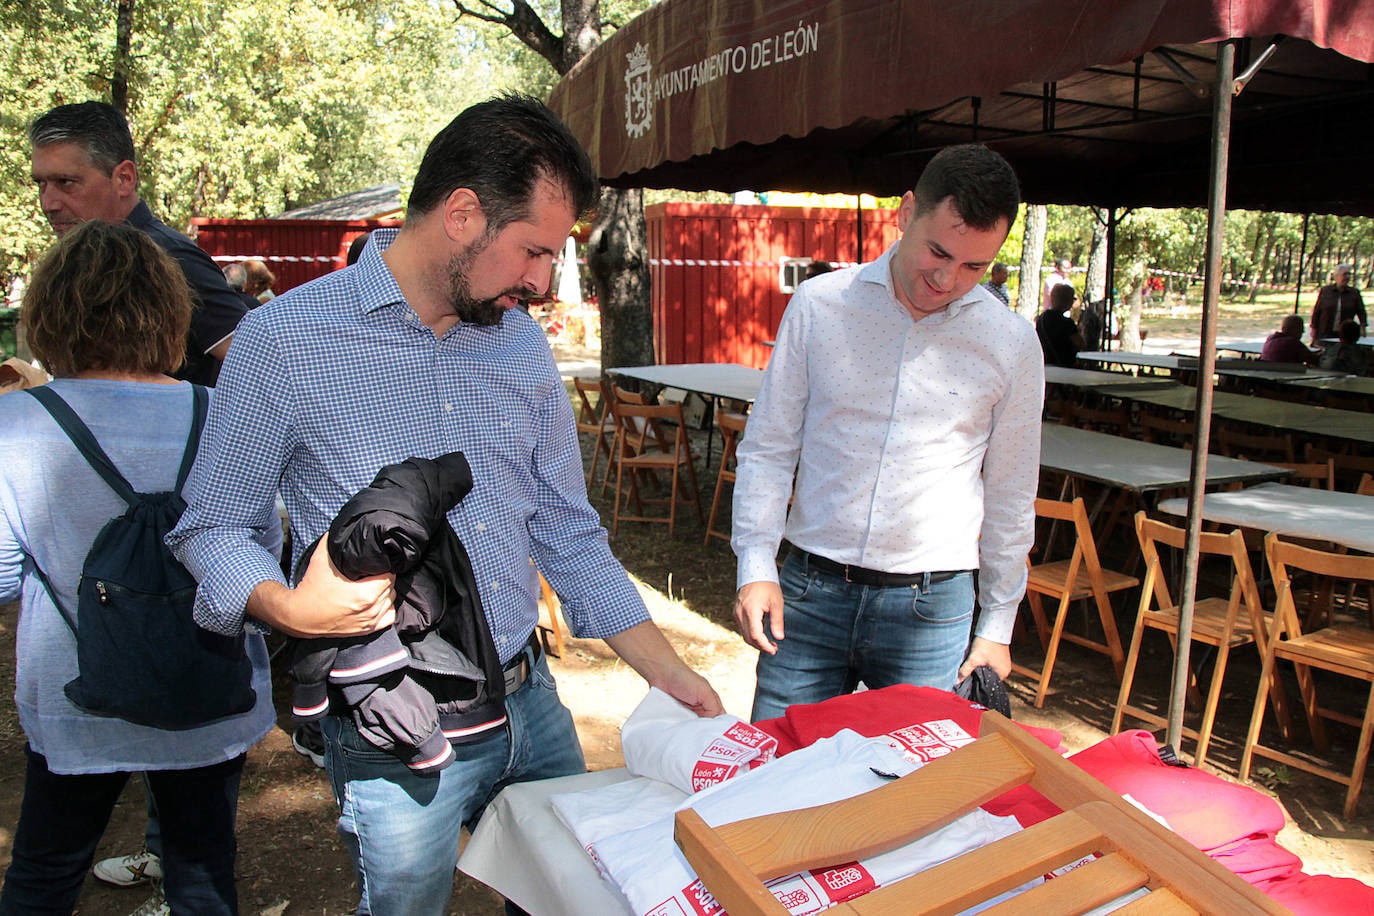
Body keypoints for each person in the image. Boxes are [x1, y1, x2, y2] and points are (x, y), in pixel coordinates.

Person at [165, 93, 722, 914]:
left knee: (569, 894)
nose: (542, 282)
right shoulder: (282, 341)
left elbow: (566, 527)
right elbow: (211, 525)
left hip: (530, 701)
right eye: (534, 250)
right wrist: (289, 608)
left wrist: (669, 672)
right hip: (399, 725)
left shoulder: (523, 345)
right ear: (463, 214)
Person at [0, 221, 275, 915]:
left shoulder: (17, 426)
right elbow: (262, 556)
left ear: (51, 312)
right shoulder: (224, 414)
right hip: (209, 688)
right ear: (168, 310)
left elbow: (3, 577)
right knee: (204, 869)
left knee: (46, 870)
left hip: (78, 697)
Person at [732, 144, 1043, 723]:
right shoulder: (820, 306)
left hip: (933, 609)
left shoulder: (1011, 343)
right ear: (904, 213)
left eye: (975, 267)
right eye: (938, 251)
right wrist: (756, 565)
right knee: (775, 781)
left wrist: (998, 623)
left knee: (913, 796)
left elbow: (1010, 494)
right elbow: (769, 449)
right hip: (807, 592)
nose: (948, 278)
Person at [28, 102, 251, 387]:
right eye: (41, 184)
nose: (49, 203)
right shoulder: (73, 264)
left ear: (124, 178)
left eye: (66, 182)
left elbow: (260, 364)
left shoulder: (171, 257)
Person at [1309, 263, 1366, 345]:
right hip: (1325, 331)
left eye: (1349, 274)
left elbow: (1361, 311)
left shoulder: (1354, 293)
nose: (1347, 277)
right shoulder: (1325, 291)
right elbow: (1317, 311)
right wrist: (1313, 328)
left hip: (1345, 334)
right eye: (1344, 274)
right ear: (1336, 276)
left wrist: (1362, 327)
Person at [1036, 283, 1086, 367]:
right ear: (1067, 300)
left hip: (1046, 365)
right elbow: (1080, 344)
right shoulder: (1066, 322)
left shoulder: (1041, 319)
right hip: (1064, 366)